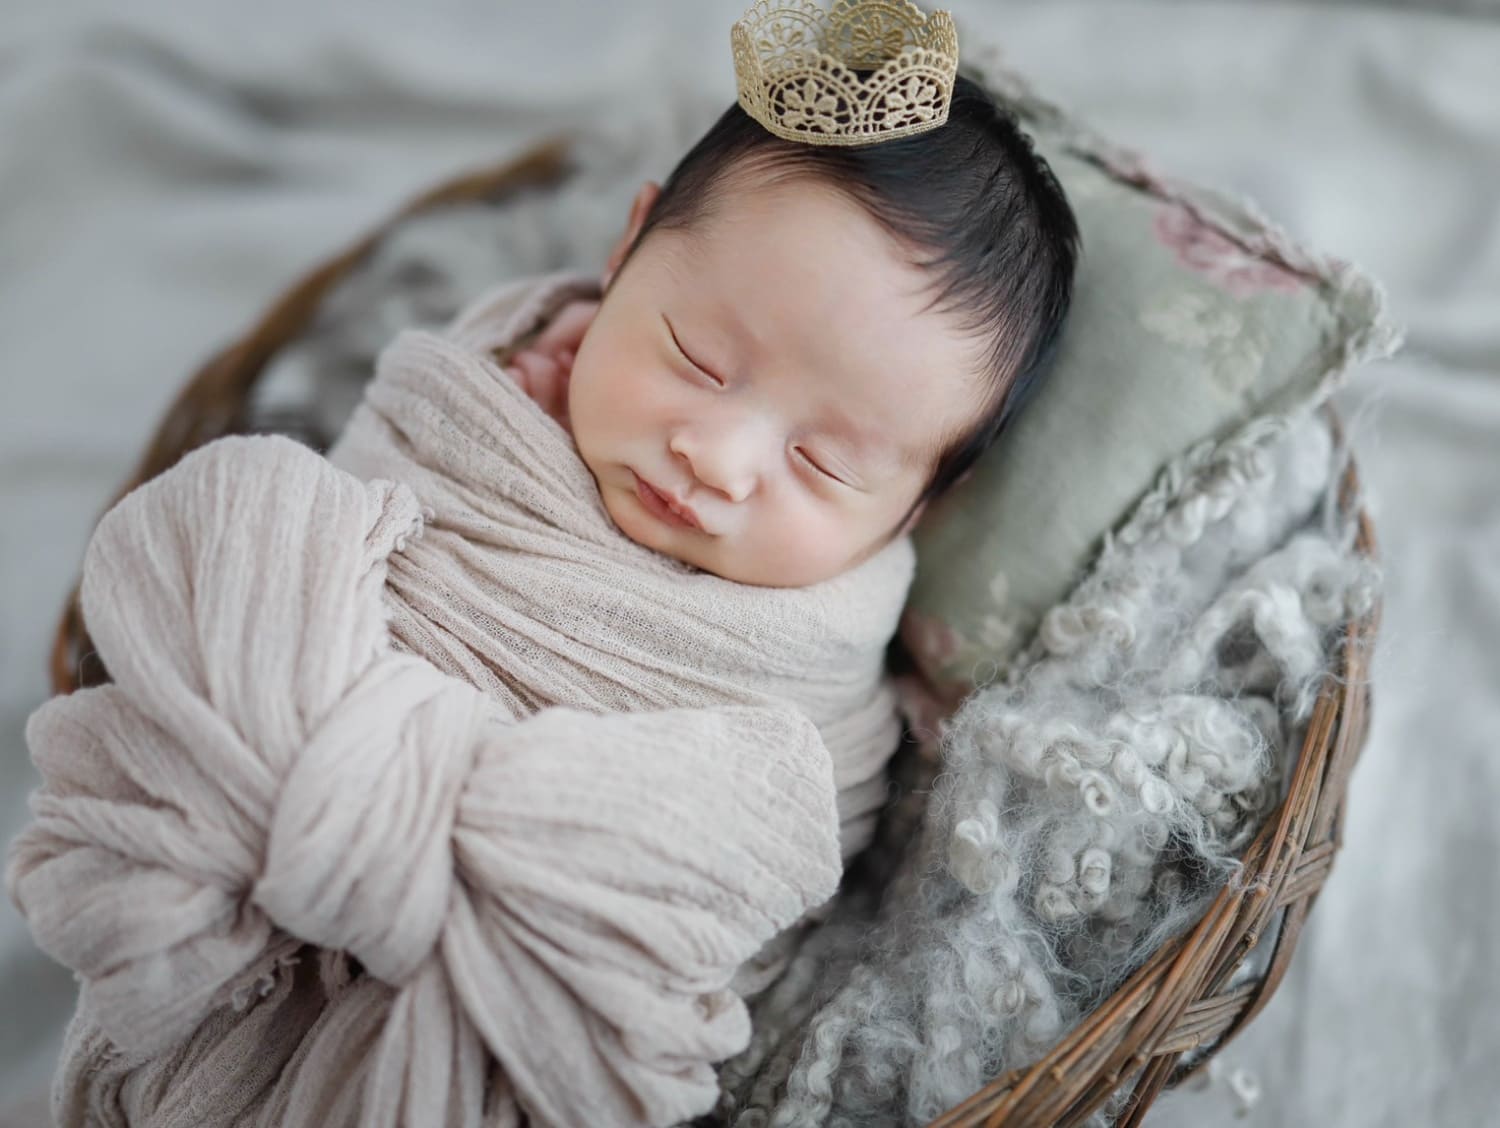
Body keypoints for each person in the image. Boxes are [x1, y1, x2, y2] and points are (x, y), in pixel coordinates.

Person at [498, 72, 1080, 589]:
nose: (718, 463)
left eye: (822, 462)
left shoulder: (817, 649)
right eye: (698, 360)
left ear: (918, 509)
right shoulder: (516, 366)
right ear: (626, 250)